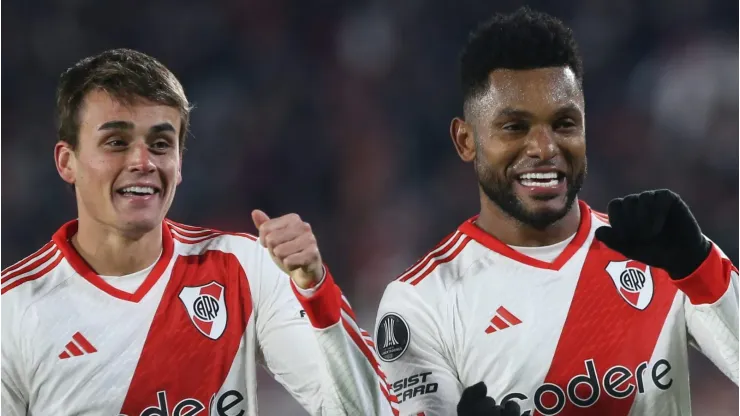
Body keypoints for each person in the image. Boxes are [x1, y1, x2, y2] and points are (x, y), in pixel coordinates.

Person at [374, 7, 738, 416]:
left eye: (564, 123)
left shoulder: (657, 254)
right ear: (466, 140)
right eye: (515, 127)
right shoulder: (423, 303)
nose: (545, 148)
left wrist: (702, 269)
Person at [1, 48, 398, 416]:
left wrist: (315, 291)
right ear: (66, 161)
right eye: (116, 142)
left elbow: (366, 411)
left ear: (179, 162)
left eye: (160, 143)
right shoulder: (14, 311)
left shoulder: (245, 269)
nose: (142, 161)